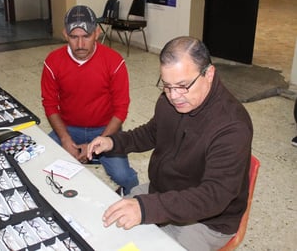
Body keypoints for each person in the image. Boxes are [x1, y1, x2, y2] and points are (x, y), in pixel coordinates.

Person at [87, 36, 253, 251]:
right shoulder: (170, 100)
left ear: (209, 74)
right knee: (105, 230)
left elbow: (214, 196)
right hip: (164, 192)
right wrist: (113, 142)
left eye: (183, 86)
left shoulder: (232, 126)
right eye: (167, 86)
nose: (174, 96)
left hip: (206, 221)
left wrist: (146, 208)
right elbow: (151, 133)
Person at [41, 5, 138, 194]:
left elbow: (121, 109)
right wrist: (65, 139)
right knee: (42, 161)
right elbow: (50, 104)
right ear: (65, 34)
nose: (80, 44)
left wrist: (100, 141)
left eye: (86, 36)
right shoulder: (52, 61)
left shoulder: (114, 61)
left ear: (97, 33)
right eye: (74, 37)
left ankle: (135, 200)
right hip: (68, 128)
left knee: (124, 176)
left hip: (105, 128)